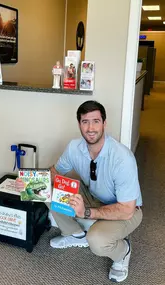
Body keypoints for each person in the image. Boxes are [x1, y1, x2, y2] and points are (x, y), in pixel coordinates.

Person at [49, 100, 143, 283]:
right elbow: (54, 173)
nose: (90, 128)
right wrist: (29, 184)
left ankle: (123, 252)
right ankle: (74, 234)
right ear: (79, 124)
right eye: (85, 121)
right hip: (93, 196)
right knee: (48, 188)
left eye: (96, 121)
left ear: (104, 124)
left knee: (98, 241)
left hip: (127, 210)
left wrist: (87, 212)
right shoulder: (74, 147)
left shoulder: (122, 158)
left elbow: (127, 209)